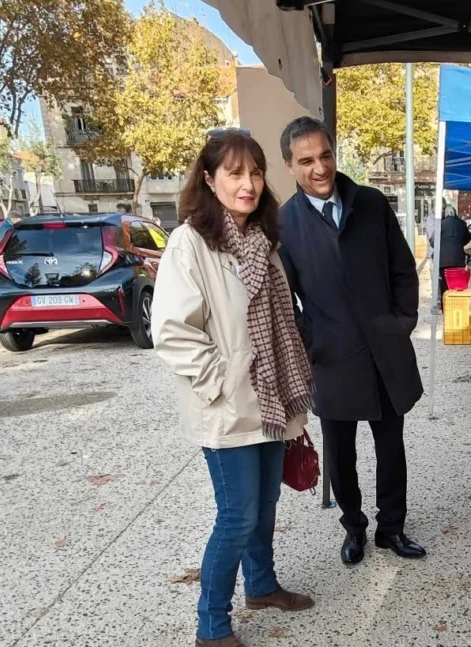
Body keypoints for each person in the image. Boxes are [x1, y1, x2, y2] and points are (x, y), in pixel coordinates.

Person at [150, 131, 315, 647]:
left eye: (256, 173)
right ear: (209, 178)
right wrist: (221, 379)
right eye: (235, 173)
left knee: (264, 507)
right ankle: (212, 625)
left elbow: (282, 320)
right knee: (237, 515)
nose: (248, 184)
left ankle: (261, 586)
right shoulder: (191, 242)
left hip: (269, 401)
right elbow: (173, 331)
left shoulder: (264, 241)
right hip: (227, 406)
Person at [277, 116, 426, 565]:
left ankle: (392, 528)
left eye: (325, 155)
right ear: (290, 165)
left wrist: (402, 321)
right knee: (340, 454)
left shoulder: (372, 203)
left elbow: (403, 268)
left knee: (391, 446)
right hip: (332, 358)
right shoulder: (284, 224)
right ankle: (354, 527)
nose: (319, 168)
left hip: (384, 351)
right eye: (306, 161)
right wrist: (312, 343)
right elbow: (286, 300)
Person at [438, 205, 471, 300]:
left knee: (445, 284)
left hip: (443, 261)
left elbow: (433, 242)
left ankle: (446, 305)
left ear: (445, 214)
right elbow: (468, 237)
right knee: (457, 284)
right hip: (458, 259)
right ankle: (457, 303)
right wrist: (459, 243)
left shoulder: (440, 224)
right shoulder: (462, 223)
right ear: (455, 213)